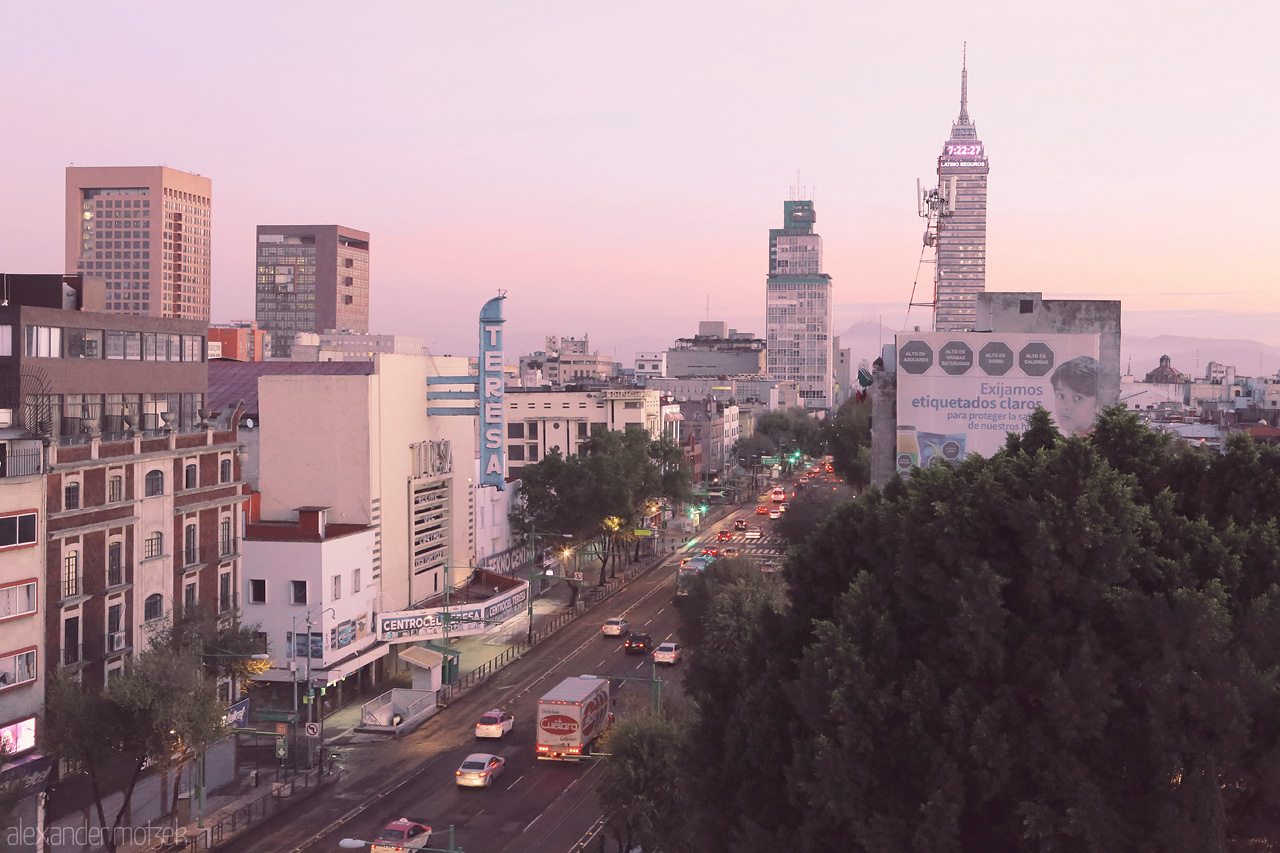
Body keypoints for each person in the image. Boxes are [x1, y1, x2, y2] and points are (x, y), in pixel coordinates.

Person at [1051, 356, 1101, 437]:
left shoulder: (1098, 446)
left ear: (1097, 405)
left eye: (1078, 398)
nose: (1066, 406)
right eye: (1061, 396)